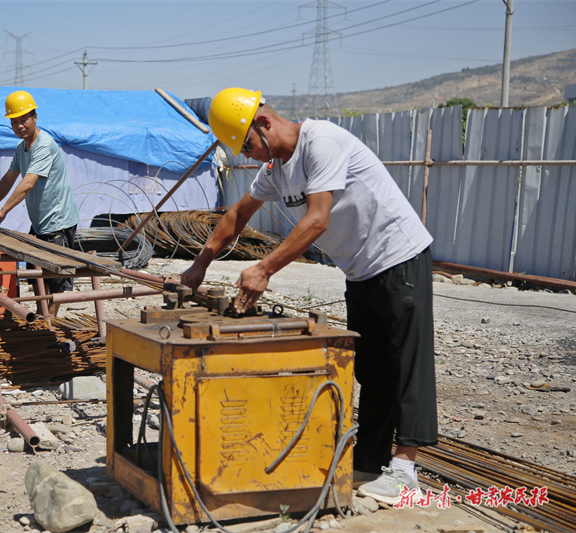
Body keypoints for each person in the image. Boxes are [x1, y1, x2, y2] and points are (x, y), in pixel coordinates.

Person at [181, 88, 438, 506]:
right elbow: (236, 215)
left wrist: (264, 268)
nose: (252, 155)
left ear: (263, 123)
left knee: (406, 363)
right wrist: (200, 264)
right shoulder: (276, 168)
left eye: (248, 144)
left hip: (398, 255)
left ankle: (407, 469)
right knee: (371, 368)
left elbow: (317, 220)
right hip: (359, 269)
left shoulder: (322, 142)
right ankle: (371, 462)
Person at [0, 90, 80, 317]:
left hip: (58, 222)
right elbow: (9, 179)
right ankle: (41, 315)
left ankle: (48, 323)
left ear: (35, 117)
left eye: (23, 120)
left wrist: (4, 210)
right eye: (14, 122)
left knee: (57, 278)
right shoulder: (21, 148)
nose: (19, 126)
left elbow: (27, 183)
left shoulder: (44, 146)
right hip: (41, 221)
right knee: (36, 272)